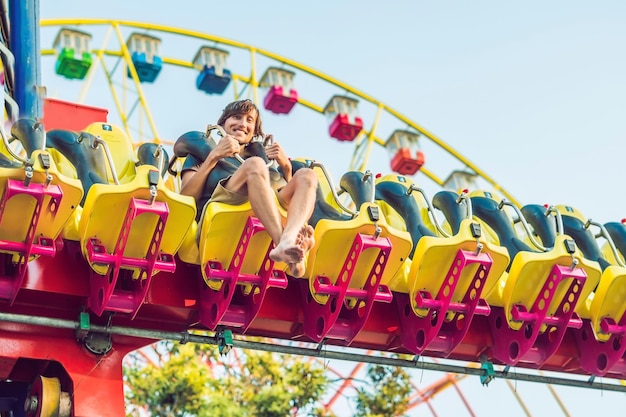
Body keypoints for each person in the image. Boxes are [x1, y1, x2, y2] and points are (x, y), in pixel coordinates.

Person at [180, 99, 318, 278]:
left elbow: (285, 198)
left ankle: (290, 239)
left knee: (308, 175)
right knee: (254, 165)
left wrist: (287, 169)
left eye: (249, 120)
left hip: (265, 203)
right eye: (236, 117)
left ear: (255, 131)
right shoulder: (203, 151)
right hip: (222, 205)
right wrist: (214, 157)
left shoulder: (264, 161)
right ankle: (282, 243)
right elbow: (186, 196)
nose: (243, 124)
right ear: (223, 123)